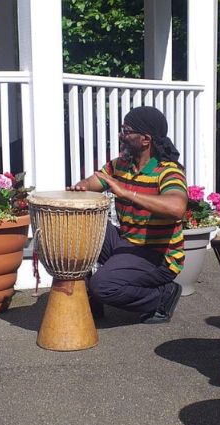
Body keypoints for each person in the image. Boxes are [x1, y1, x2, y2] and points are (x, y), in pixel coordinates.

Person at [68, 106, 188, 324]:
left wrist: (127, 193)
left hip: (158, 257)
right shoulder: (121, 165)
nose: (121, 135)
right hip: (126, 244)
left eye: (126, 130)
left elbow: (177, 207)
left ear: (145, 139)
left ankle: (162, 296)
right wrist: (81, 187)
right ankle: (89, 301)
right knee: (77, 227)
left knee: (102, 286)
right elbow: (92, 183)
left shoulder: (167, 171)